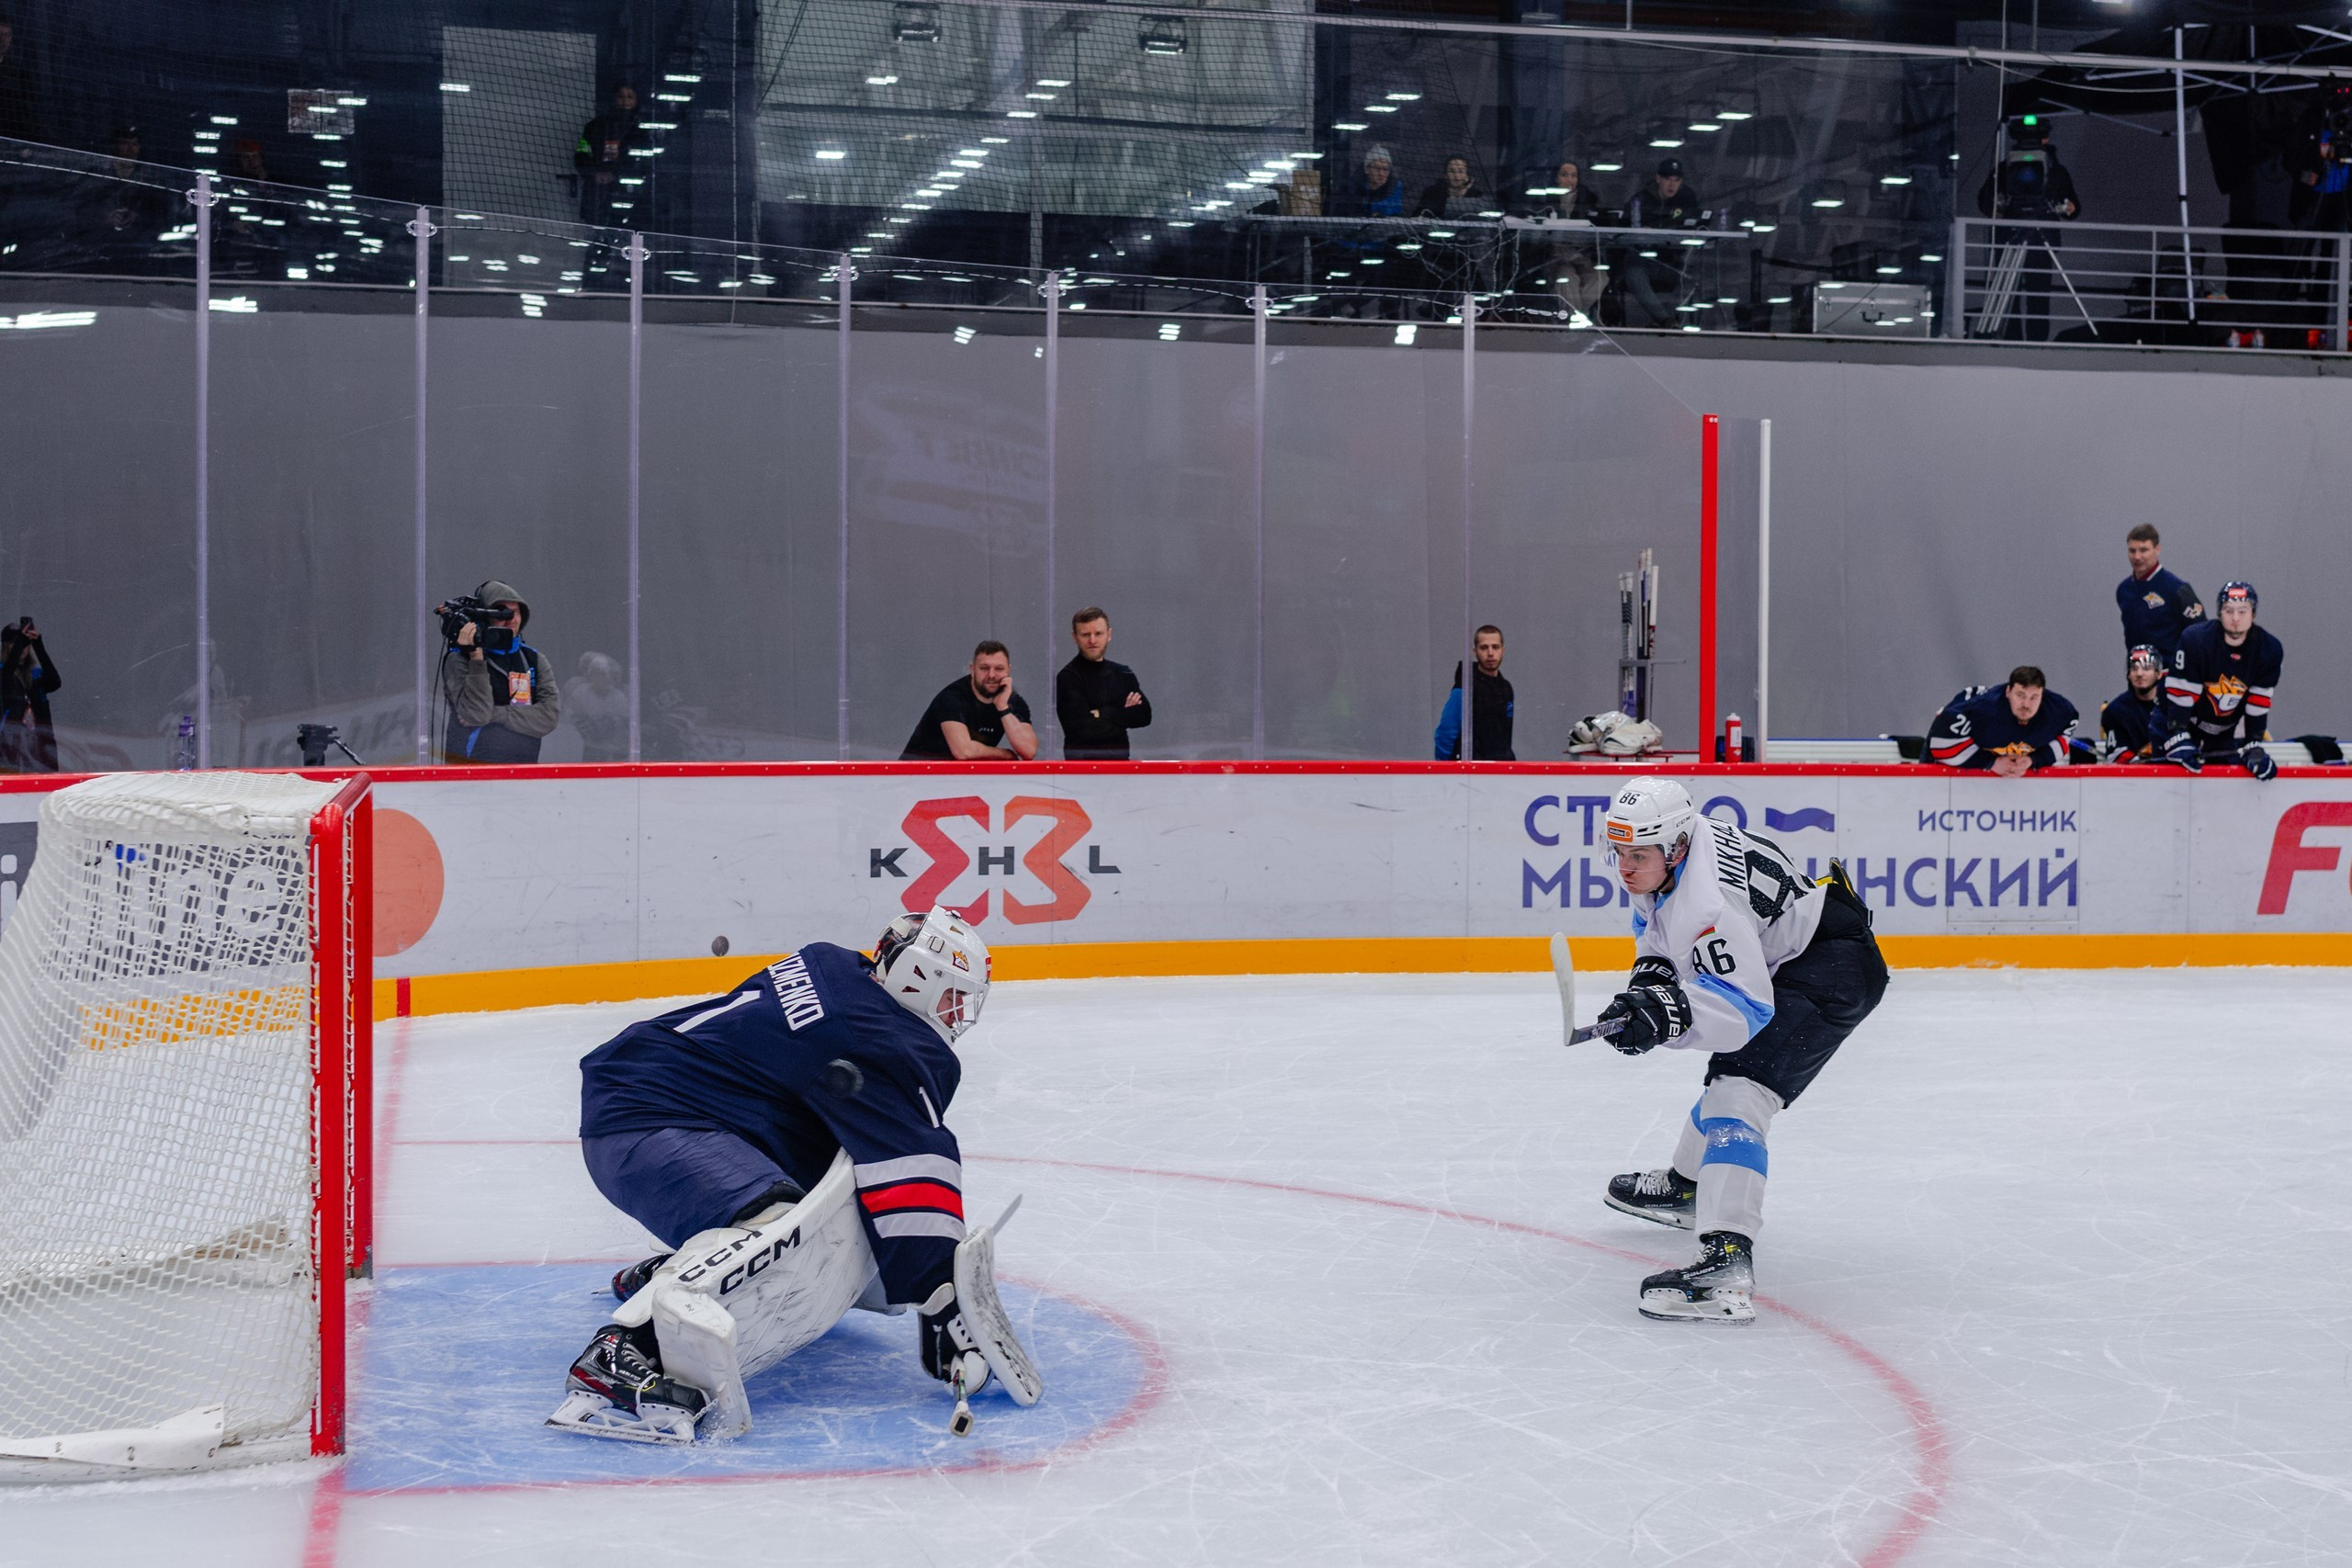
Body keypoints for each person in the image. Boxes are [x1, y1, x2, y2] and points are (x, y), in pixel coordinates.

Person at [553, 908, 1037, 1443]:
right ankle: (625, 1349)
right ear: (917, 977)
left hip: (650, 1095)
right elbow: (913, 1159)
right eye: (952, 996)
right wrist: (940, 1294)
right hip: (647, 1121)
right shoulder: (878, 1034)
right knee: (779, 1226)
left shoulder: (834, 968)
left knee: (820, 1178)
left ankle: (680, 1269)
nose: (956, 1014)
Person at [1593, 777, 1888, 1325]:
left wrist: (1663, 1018)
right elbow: (1659, 937)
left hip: (1831, 971)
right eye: (1618, 852)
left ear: (1675, 848)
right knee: (1731, 1077)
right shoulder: (1672, 853)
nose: (1626, 868)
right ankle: (1689, 1187)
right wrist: (1649, 992)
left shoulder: (1710, 903)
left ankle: (1727, 1261)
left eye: (1637, 855)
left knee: (1739, 1091)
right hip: (1800, 955)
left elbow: (1744, 1013)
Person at [2161, 581, 2283, 779]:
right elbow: (2181, 695)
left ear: (2254, 614)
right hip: (2174, 722)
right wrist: (2177, 735)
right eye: (2228, 610)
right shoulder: (2196, 640)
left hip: (2222, 730)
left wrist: (2253, 743)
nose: (2235, 618)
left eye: (2242, 611)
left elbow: (2258, 701)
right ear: (2219, 613)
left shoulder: (2269, 649)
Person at [1975, 118, 2080, 343]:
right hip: (2015, 237)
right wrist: (1997, 208)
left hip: (2036, 240)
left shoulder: (2055, 172)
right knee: (2013, 294)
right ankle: (2020, 340)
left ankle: (2034, 341)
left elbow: (2074, 207)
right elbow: (1985, 201)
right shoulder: (2004, 170)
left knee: (2036, 296)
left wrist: (2067, 208)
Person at [439, 580, 560, 764]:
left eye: (516, 612)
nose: (511, 618)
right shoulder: (460, 658)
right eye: (502, 612)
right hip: (469, 774)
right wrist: (477, 659)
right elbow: (477, 714)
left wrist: (497, 714)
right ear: (484, 616)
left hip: (524, 773)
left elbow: (548, 717)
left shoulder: (533, 659)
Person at [1926, 668, 2078, 774]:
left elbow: (2063, 737)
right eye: (2020, 695)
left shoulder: (2061, 712)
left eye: (2034, 697)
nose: (2026, 704)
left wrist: (2032, 760)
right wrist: (1991, 763)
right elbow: (1941, 744)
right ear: (2008, 692)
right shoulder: (1980, 710)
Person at [901, 642, 1037, 761]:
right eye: (984, 668)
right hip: (917, 776)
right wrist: (1005, 754)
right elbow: (963, 751)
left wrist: (1003, 708)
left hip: (962, 779)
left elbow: (1028, 751)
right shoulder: (952, 697)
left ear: (1009, 670)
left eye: (999, 669)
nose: (991, 675)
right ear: (972, 669)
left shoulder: (1012, 701)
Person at [1055, 607, 1151, 761]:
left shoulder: (1122, 673)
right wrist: (1121, 711)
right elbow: (1082, 730)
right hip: (1079, 772)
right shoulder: (1068, 677)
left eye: (1098, 634)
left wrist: (1100, 713)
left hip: (1120, 769)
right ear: (1075, 637)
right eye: (1085, 634)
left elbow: (1144, 716)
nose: (1092, 640)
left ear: (1109, 635)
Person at [1619, 159, 1701, 327]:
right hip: (1646, 259)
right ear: (1658, 179)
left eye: (1676, 180)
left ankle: (1671, 321)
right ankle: (1665, 320)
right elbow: (1625, 228)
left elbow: (1696, 223)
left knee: (1692, 277)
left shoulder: (1688, 198)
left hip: (1673, 260)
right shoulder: (1641, 199)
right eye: (1667, 179)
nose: (1672, 184)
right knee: (1633, 270)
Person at [2115, 524, 2203, 662]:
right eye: (2132, 551)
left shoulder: (2177, 589)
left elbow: (2200, 635)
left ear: (2157, 550)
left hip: (2169, 676)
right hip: (2137, 674)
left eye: (2143, 550)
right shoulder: (2124, 590)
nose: (2137, 557)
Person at [1433, 625, 1514, 761]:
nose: (1490, 653)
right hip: (1471, 774)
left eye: (1495, 647)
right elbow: (1446, 733)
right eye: (1484, 648)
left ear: (1503, 650)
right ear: (1474, 652)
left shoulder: (1505, 689)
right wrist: (1445, 772)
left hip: (1501, 771)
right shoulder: (1465, 688)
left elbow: (1504, 737)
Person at [574, 83, 650, 225]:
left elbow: (642, 160)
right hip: (597, 193)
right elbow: (581, 156)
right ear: (614, 98)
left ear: (637, 99)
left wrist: (616, 174)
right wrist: (594, 174)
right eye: (621, 97)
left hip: (628, 191)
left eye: (630, 97)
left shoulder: (642, 128)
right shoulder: (595, 126)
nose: (625, 101)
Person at [0, 616, 61, 773]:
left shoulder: (36, 675)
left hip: (41, 756)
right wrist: (20, 641)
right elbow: (5, 681)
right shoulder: (3, 674)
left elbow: (55, 682)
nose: (22, 649)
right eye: (13, 644)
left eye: (26, 645)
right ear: (5, 646)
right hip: (8, 758)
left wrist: (38, 644)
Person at [2099, 646, 2170, 761]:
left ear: (2158, 673)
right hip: (2134, 776)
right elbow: (2116, 756)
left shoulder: (2174, 705)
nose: (2139, 673)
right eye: (2134, 668)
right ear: (2128, 674)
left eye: (2146, 668)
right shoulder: (2115, 711)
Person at [567, 651, 630, 763]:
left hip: (618, 750)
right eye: (598, 674)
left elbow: (627, 721)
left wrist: (613, 722)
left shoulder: (618, 696)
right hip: (592, 749)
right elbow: (571, 720)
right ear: (591, 675)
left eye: (605, 674)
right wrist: (586, 726)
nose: (603, 678)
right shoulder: (580, 693)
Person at [1415, 155, 1487, 220]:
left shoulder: (1477, 195)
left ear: (1467, 175)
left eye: (1461, 171)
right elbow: (1418, 215)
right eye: (1452, 171)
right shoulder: (1431, 193)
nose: (1456, 175)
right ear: (1445, 175)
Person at [1347, 144, 1405, 219]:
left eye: (1385, 169)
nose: (1381, 173)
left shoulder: (1395, 187)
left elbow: (1395, 214)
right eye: (1377, 168)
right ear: (1366, 169)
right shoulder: (1351, 187)